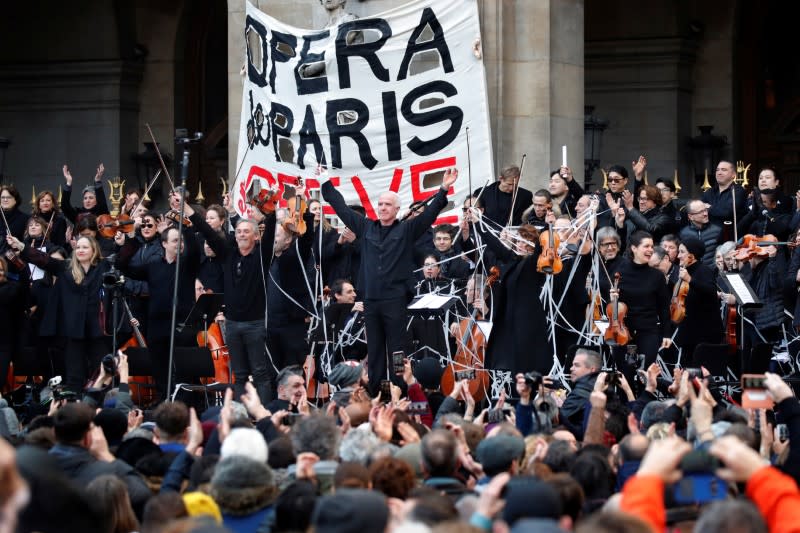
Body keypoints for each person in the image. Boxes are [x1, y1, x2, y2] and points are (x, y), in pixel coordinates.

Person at [320, 167, 458, 394]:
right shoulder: (366, 228)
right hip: (372, 300)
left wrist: (444, 188)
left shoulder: (406, 229)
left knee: (397, 350)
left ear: (396, 209)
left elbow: (429, 215)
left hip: (395, 299)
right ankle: (375, 392)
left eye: (387, 205)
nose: (382, 207)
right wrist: (324, 181)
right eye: (380, 204)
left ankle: (399, 389)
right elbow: (341, 207)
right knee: (374, 349)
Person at [116, 201, 205, 401]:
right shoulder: (153, 266)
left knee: (184, 366)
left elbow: (194, 251)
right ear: (164, 244)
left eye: (180, 241)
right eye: (174, 241)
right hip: (157, 324)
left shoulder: (187, 265)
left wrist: (186, 227)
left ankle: (186, 402)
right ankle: (163, 399)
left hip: (182, 324)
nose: (179, 244)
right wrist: (133, 237)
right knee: (159, 366)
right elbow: (123, 265)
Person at [198, 195, 278, 403]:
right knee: (239, 374)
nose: (241, 235)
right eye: (239, 231)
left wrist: (271, 212)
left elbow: (270, 233)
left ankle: (264, 416)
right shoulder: (228, 255)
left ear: (255, 236)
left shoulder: (262, 255)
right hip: (233, 324)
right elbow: (209, 233)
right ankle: (239, 414)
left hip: (255, 323)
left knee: (260, 373)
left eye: (246, 232)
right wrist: (188, 210)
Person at [479, 223, 550, 377]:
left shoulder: (534, 263)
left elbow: (541, 245)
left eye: (526, 242)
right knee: (513, 367)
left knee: (524, 367)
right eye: (519, 241)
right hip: (510, 321)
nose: (521, 244)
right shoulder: (513, 260)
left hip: (526, 324)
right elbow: (495, 245)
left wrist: (547, 225)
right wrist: (477, 224)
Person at [609, 231, 671, 375]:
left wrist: (666, 334)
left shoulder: (657, 276)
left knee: (646, 374)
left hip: (648, 330)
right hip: (622, 330)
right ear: (634, 248)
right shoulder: (619, 272)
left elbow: (663, 307)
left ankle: (645, 397)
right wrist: (612, 299)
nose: (650, 250)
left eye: (652, 246)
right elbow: (611, 307)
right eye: (646, 246)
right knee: (624, 375)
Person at [673, 237, 723, 361]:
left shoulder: (704, 270)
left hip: (704, 336)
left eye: (682, 252)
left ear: (692, 255)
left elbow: (711, 291)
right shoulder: (684, 271)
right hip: (689, 334)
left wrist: (690, 280)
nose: (678, 256)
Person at [679, 198, 723, 269]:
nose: (705, 214)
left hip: (713, 272)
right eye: (701, 212)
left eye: (705, 210)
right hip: (692, 273)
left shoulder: (718, 230)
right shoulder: (684, 233)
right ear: (690, 216)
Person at [702, 160, 747, 228]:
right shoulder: (709, 192)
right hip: (708, 232)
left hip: (730, 235)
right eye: (717, 170)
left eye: (724, 170)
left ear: (733, 175)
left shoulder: (738, 191)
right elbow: (699, 210)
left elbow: (726, 212)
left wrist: (709, 207)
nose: (719, 173)